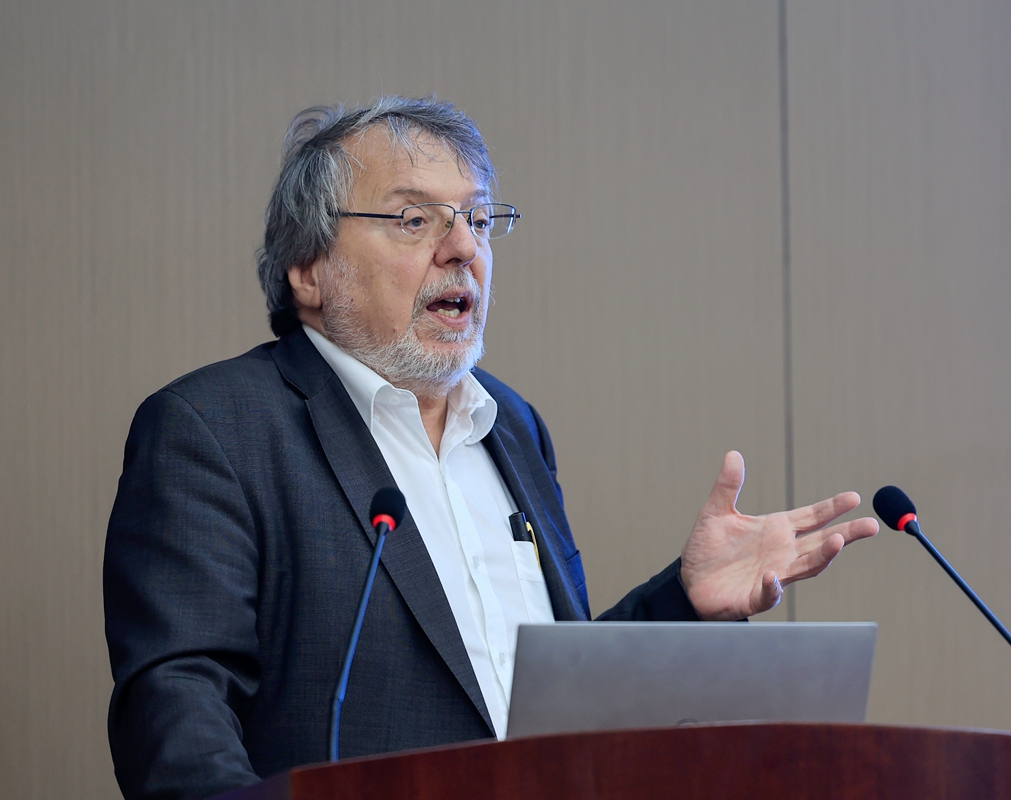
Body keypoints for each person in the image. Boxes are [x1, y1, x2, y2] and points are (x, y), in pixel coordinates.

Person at [103, 96, 879, 800]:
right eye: (414, 220)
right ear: (308, 268)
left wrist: (686, 601)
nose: (461, 248)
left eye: (477, 219)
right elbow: (176, 719)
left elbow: (543, 703)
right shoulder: (215, 429)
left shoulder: (511, 425)